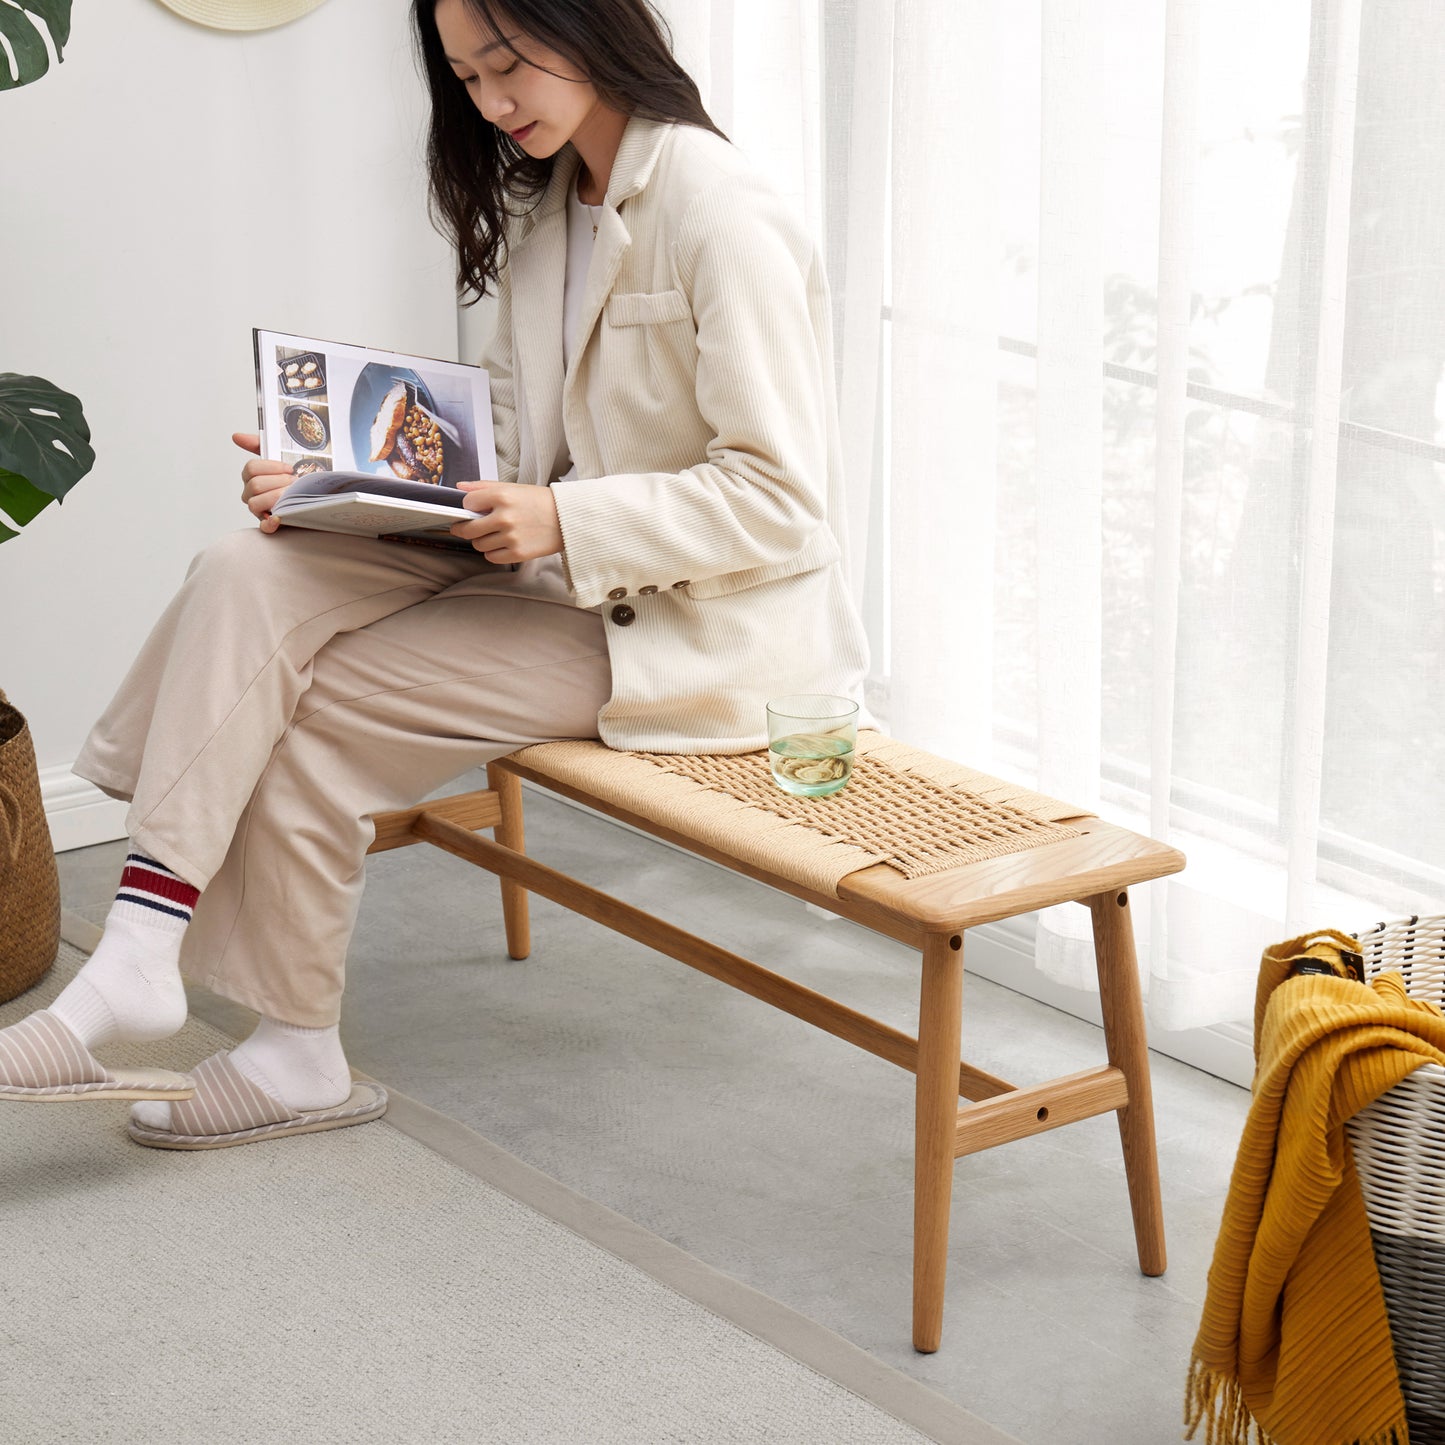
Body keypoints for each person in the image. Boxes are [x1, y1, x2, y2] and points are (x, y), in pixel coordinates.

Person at [0, 0, 867, 1147]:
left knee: (314, 700)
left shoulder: (718, 210)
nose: (492, 102)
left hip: (677, 627)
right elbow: (509, 444)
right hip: (550, 566)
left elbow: (782, 499)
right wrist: (333, 476)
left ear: (594, 26)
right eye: (465, 77)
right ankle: (143, 954)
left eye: (507, 65)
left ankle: (287, 1048)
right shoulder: (555, 201)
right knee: (244, 565)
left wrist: (562, 514)